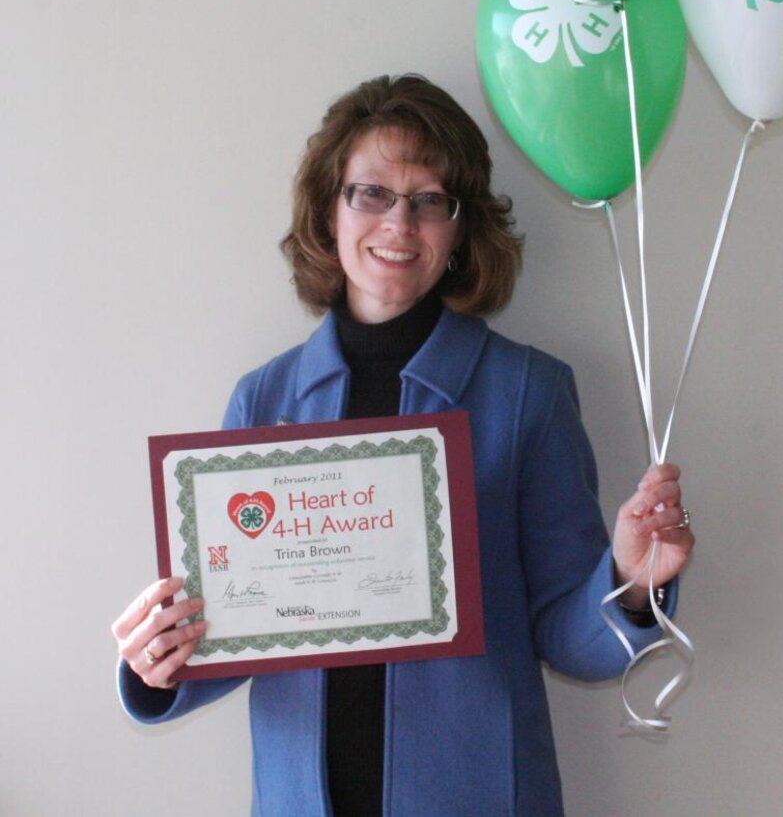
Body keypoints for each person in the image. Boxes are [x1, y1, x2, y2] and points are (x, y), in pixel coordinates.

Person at [112, 74, 694, 817]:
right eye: (372, 193)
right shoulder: (263, 399)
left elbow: (571, 639)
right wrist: (157, 660)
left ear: (459, 231)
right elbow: (236, 630)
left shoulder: (527, 392)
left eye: (430, 200)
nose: (399, 222)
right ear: (330, 208)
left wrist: (632, 580)